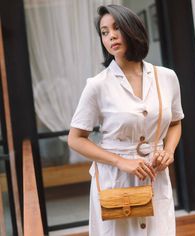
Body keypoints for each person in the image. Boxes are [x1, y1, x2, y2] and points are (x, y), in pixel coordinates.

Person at [68, 4, 184, 236]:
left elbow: (175, 123)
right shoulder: (97, 85)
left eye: (116, 28)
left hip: (154, 176)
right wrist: (121, 162)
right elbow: (76, 139)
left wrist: (168, 151)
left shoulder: (167, 77)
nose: (110, 35)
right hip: (115, 180)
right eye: (104, 32)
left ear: (133, 30)